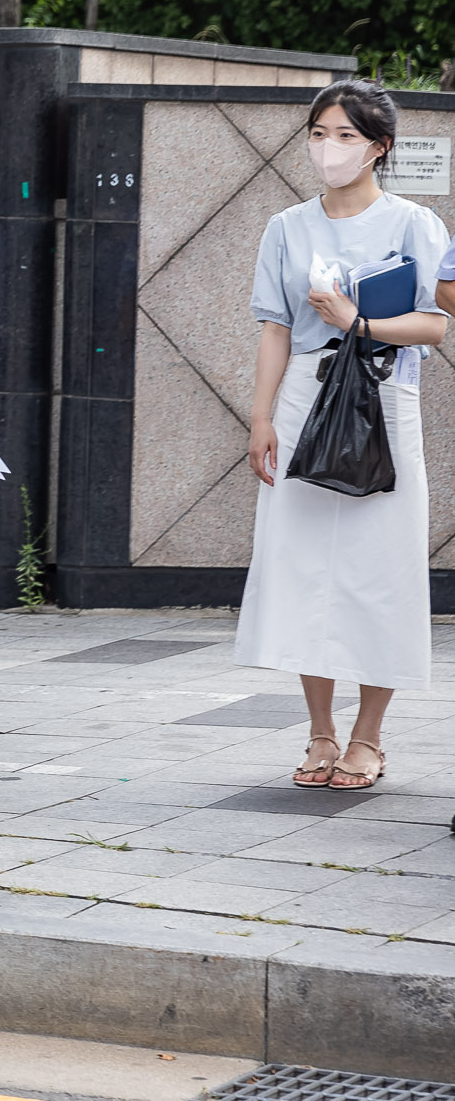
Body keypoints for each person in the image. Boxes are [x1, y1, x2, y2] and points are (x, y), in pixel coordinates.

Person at [243, 80, 447, 792]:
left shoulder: (414, 224)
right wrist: (261, 415)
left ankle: (369, 736)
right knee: (305, 567)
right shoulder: (286, 227)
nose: (328, 148)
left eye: (346, 136)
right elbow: (274, 328)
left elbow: (434, 325)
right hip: (305, 393)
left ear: (379, 147)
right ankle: (320, 731)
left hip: (386, 393)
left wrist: (354, 317)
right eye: (320, 132)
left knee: (380, 566)